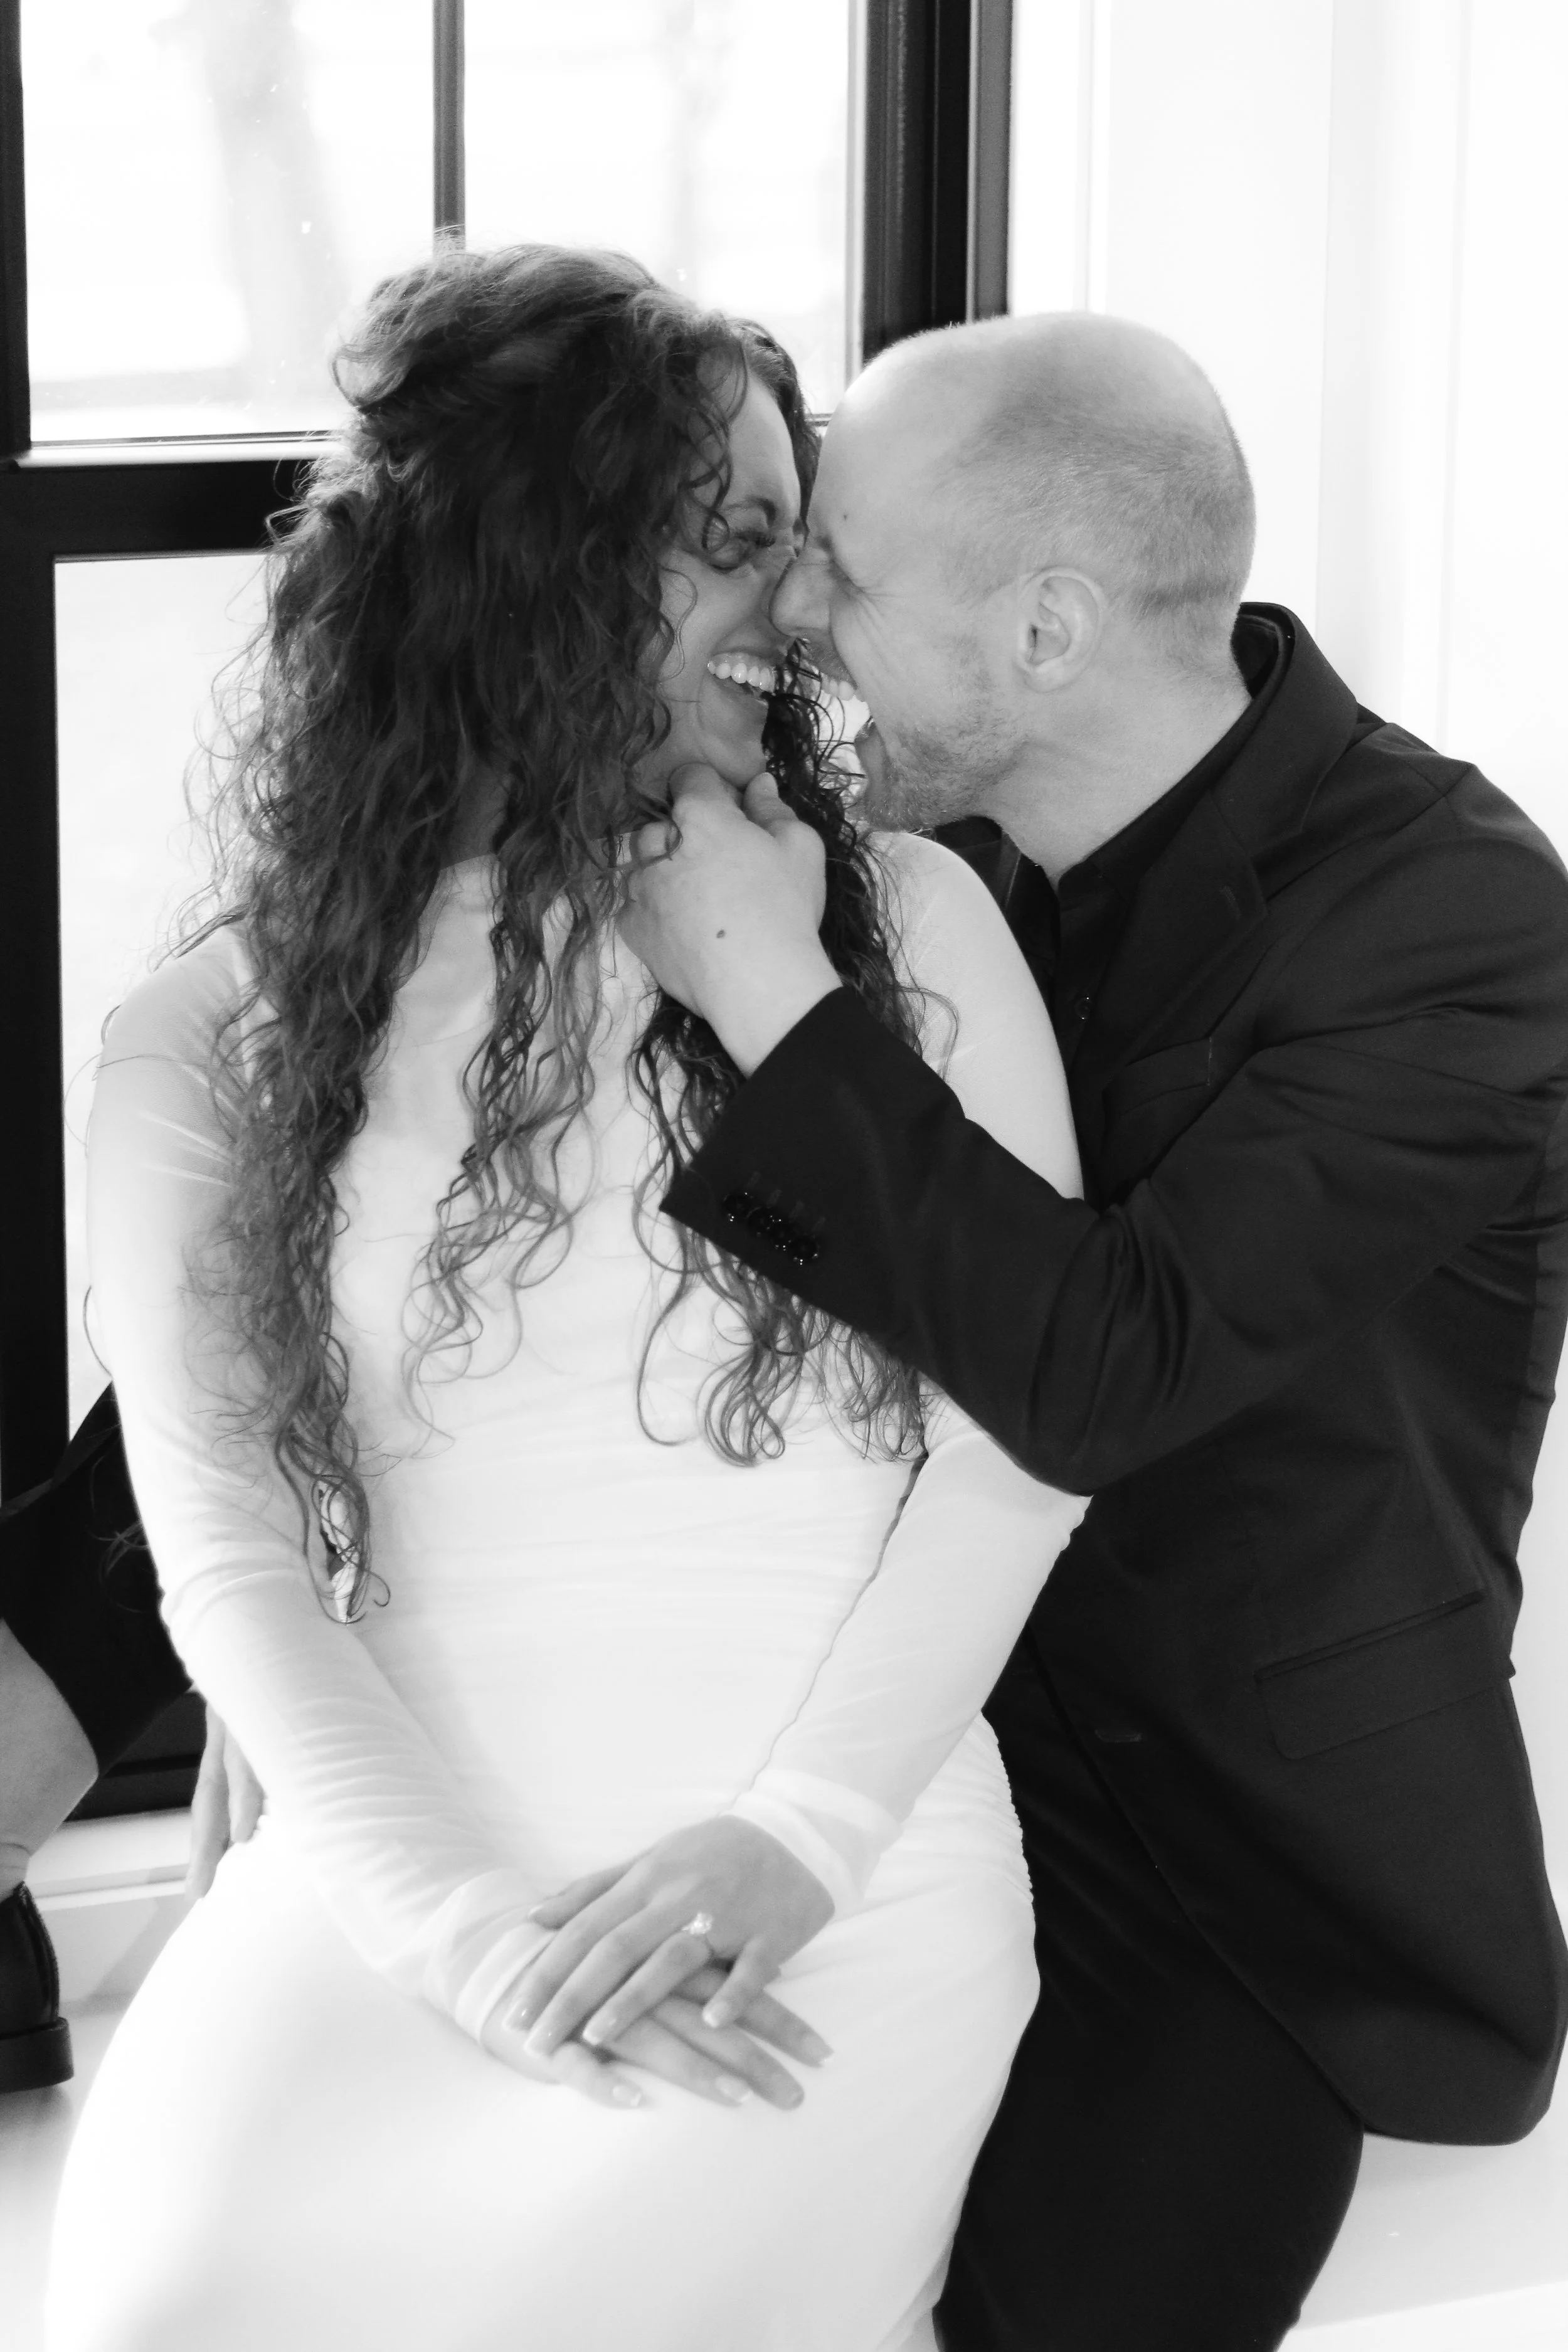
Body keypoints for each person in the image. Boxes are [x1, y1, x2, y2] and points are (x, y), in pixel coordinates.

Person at [44, 246, 1088, 2352]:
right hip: (391, 1883)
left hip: (831, 1876)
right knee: (163, 2309)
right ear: (531, 566)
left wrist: (800, 1838)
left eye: (802, 550)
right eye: (734, 546)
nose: (796, 617)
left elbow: (1024, 1435)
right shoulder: (205, 1040)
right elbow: (227, 1557)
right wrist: (462, 1933)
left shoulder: (904, 922)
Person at [619, 311, 1568, 2352]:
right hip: (888, 1730)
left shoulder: (1458, 917)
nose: (783, 611)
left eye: (834, 569)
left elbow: (1102, 1374)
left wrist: (773, 1000)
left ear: (1043, 630)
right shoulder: (921, 843)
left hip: (1226, 1860)